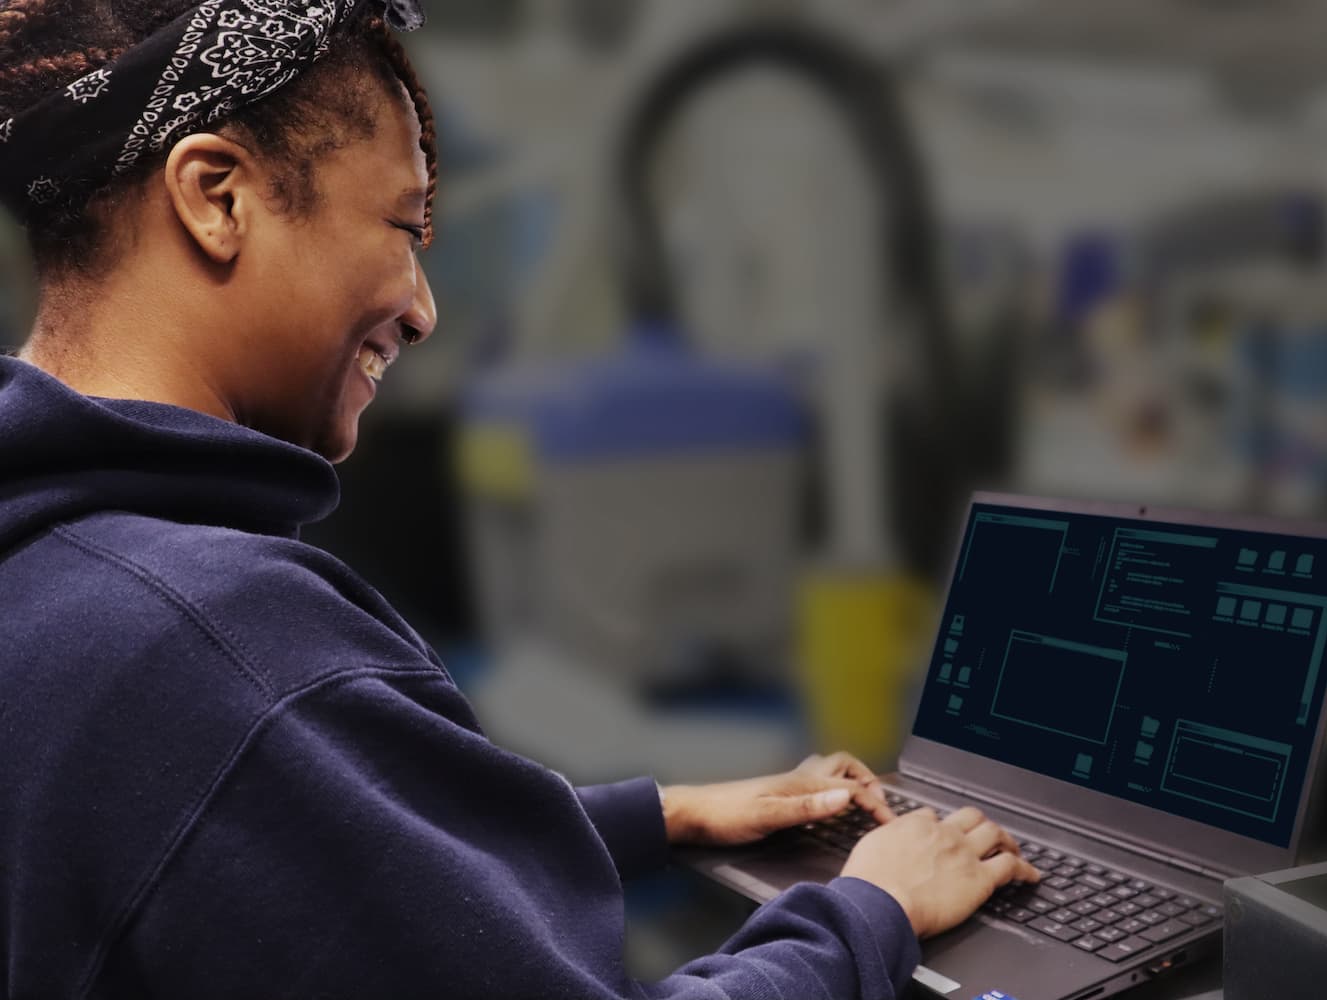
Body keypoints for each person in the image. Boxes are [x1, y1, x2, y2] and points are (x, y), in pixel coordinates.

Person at [0, 2, 1039, 996]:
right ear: (216, 196)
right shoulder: (228, 648)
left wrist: (649, 815)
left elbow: (277, 857)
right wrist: (870, 911)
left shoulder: (55, 569)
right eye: (404, 227)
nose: (423, 306)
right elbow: (260, 768)